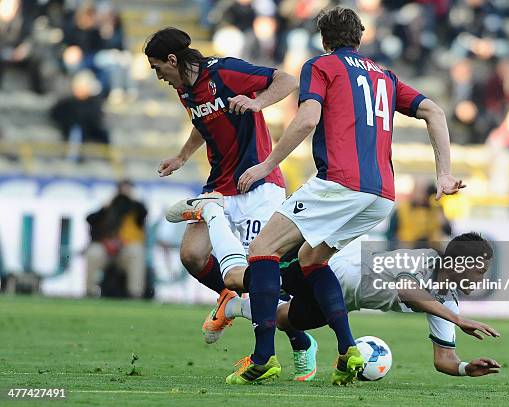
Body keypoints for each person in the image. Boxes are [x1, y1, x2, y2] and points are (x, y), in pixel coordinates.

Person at [210, 6, 464, 385]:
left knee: (262, 251)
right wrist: (443, 173)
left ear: (324, 40)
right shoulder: (386, 76)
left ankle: (263, 357)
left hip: (340, 183)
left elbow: (309, 118)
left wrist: (266, 165)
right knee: (312, 258)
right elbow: (434, 111)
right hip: (380, 194)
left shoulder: (322, 66)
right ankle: (348, 351)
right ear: (360, 38)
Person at [145, 28, 297, 342]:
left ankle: (296, 341)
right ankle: (229, 298)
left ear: (172, 60)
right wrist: (182, 157)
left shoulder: (226, 71)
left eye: (158, 67)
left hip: (257, 183)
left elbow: (287, 80)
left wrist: (259, 103)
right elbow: (204, 122)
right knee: (192, 255)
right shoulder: (184, 88)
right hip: (220, 185)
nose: (158, 76)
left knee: (256, 272)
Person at [230, 233, 501, 379]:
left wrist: (466, 368)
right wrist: (459, 320)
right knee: (241, 279)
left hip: (347, 300)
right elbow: (406, 290)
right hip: (333, 267)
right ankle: (213, 217)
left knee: (282, 320)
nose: (483, 278)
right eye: (480, 270)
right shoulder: (424, 260)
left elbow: (444, 360)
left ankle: (231, 307)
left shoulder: (447, 301)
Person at [85, 180, 147, 298]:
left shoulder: (136, 208)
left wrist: (133, 199)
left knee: (136, 252)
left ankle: (135, 294)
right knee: (93, 253)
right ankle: (90, 293)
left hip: (125, 250)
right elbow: (90, 219)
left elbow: (144, 214)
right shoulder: (108, 207)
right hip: (106, 249)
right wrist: (106, 206)